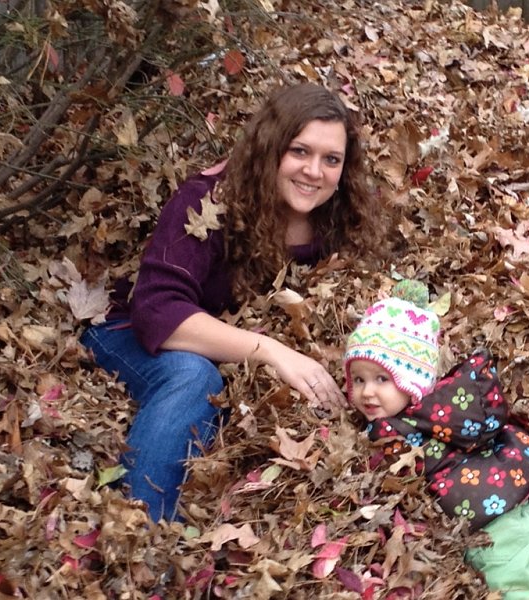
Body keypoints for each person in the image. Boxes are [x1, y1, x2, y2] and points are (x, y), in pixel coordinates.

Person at [81, 82, 382, 522]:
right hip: (129, 335)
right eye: (299, 151)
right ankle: (144, 527)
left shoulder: (338, 216)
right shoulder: (208, 201)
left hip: (230, 350)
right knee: (193, 376)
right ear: (270, 147)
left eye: (331, 159)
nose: (314, 171)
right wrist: (273, 352)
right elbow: (156, 312)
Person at [343, 280, 529, 600]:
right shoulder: (458, 410)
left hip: (495, 540)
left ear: (413, 382)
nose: (366, 391)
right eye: (358, 379)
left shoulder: (392, 431)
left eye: (382, 379)